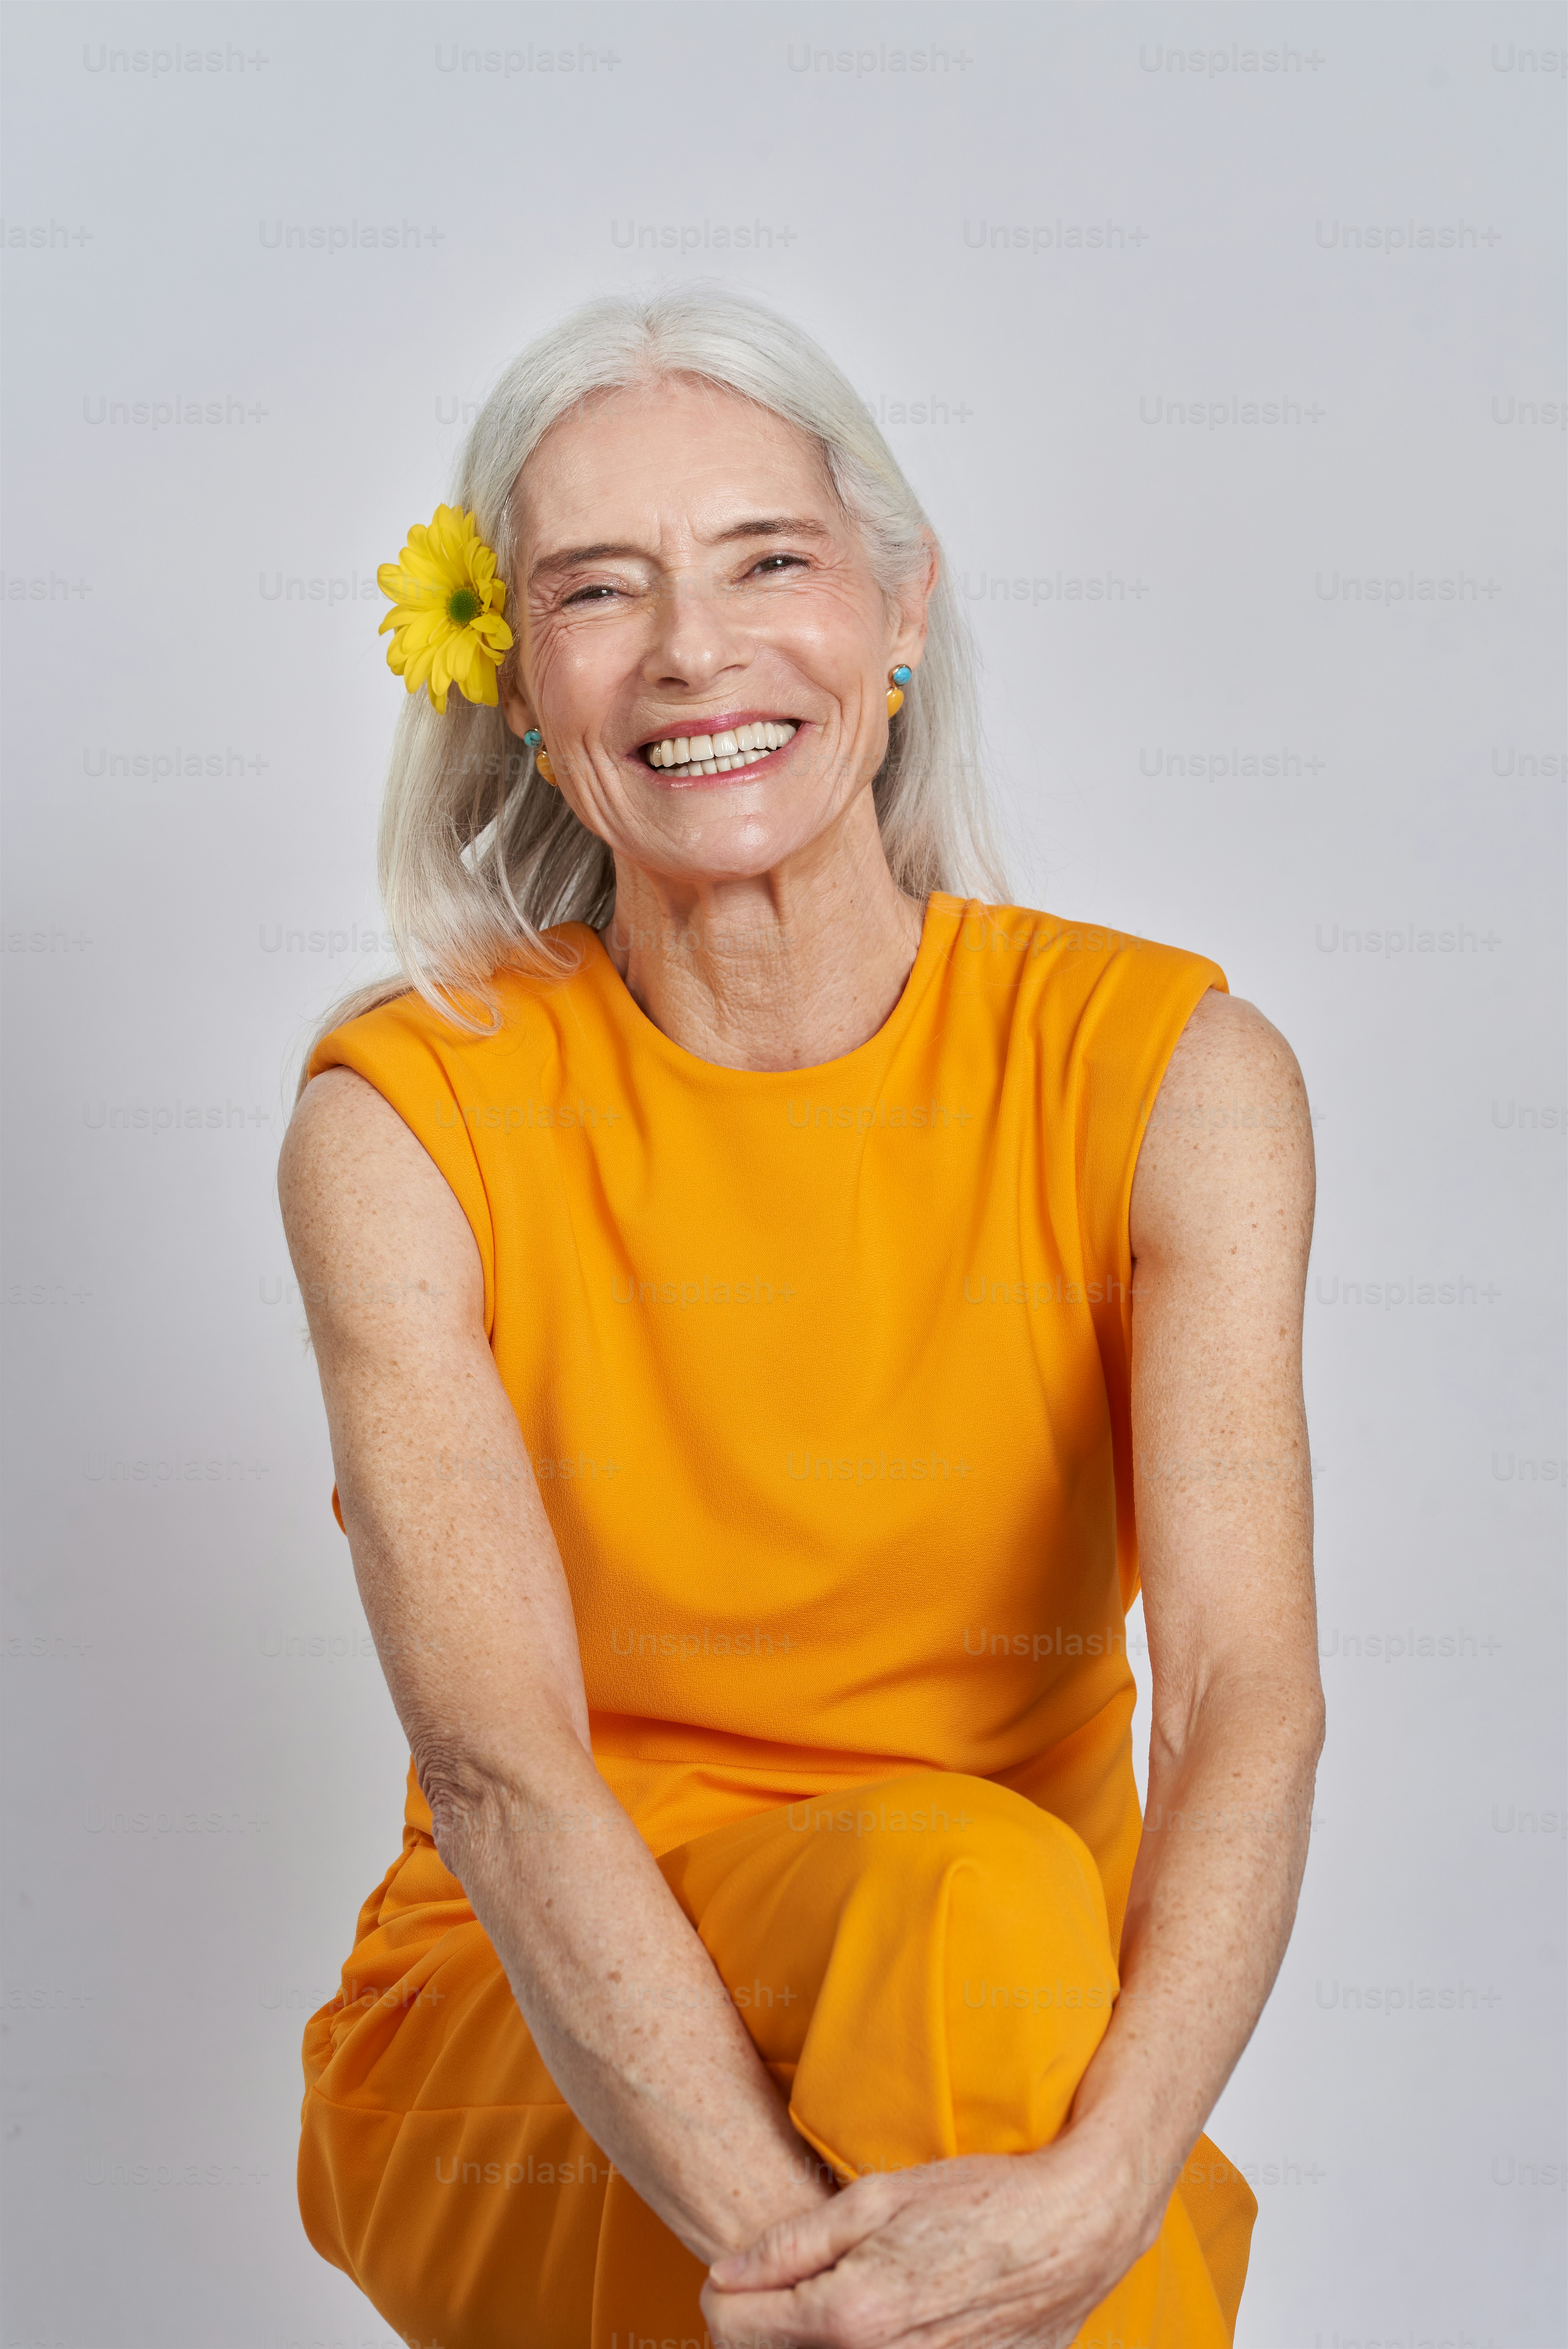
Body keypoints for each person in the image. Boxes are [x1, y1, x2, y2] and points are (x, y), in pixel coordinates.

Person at [277, 286, 1324, 2349]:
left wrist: (1098, 2196)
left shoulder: (1172, 1073)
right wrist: (822, 2282)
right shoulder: (409, 1125)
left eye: (770, 558)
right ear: (517, 685)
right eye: (599, 590)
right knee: (980, 1918)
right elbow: (500, 1775)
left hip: (1009, 2056)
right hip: (530, 2047)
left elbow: (1245, 1702)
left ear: (902, 608)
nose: (697, 652)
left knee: (978, 1921)